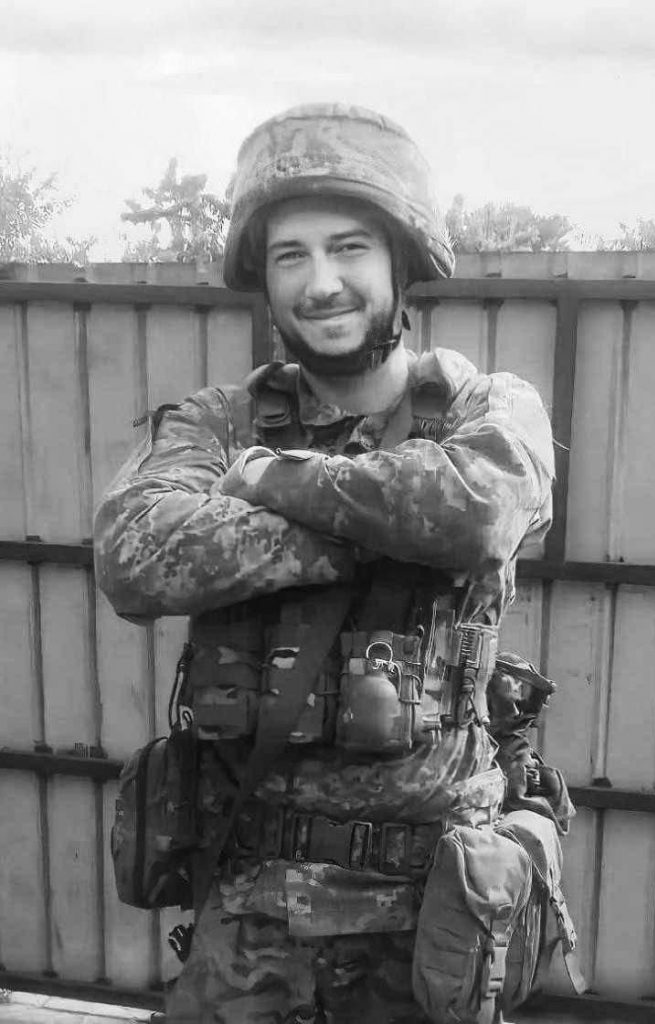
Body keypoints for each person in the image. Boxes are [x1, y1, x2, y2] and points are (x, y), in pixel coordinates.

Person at [94, 104, 577, 1024]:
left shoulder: (485, 408)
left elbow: (476, 511)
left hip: (429, 928)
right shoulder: (217, 422)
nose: (321, 283)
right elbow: (136, 555)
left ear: (401, 260)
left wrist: (268, 484)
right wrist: (390, 522)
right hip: (250, 924)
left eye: (349, 248)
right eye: (291, 256)